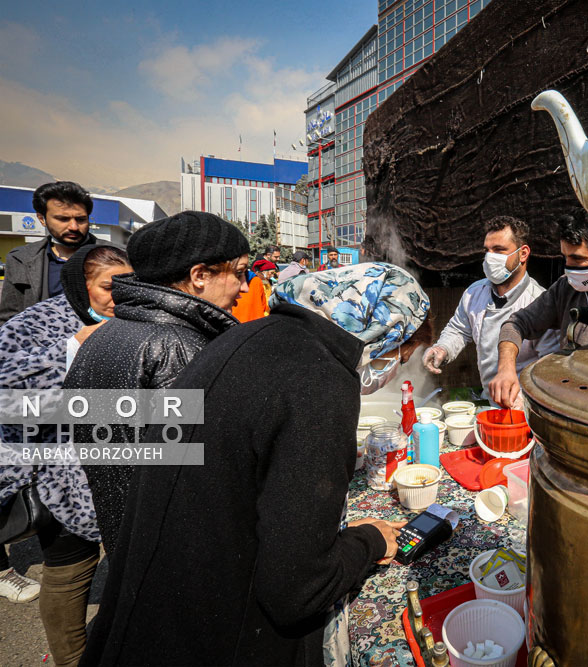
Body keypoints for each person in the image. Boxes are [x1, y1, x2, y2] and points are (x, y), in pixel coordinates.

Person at [80, 263, 430, 666]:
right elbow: (299, 589)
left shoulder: (250, 335)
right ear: (385, 332)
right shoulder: (320, 378)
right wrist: (369, 541)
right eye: (402, 356)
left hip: (146, 609)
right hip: (214, 636)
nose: (394, 372)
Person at [63, 211, 249, 557]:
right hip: (178, 550)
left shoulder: (108, 333)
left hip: (129, 536)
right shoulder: (179, 346)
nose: (246, 286)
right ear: (200, 275)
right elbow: (204, 474)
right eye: (239, 273)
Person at [0, 245, 131, 664]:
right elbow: (7, 397)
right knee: (71, 566)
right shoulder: (36, 323)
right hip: (59, 474)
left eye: (129, 286)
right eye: (109, 287)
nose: (119, 297)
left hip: (125, 465)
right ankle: (72, 659)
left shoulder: (132, 321)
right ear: (81, 286)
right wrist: (73, 348)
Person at [489, 212, 588, 407]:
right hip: (565, 404)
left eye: (577, 259)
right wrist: (506, 369)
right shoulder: (565, 288)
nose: (568, 267)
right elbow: (517, 323)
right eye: (565, 257)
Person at [421, 216, 559, 396]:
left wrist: (525, 400)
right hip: (489, 398)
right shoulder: (475, 293)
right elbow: (459, 329)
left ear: (523, 253)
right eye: (488, 250)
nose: (490, 257)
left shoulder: (540, 303)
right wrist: (442, 348)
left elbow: (549, 366)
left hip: (524, 405)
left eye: (499, 250)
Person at [0, 182, 108, 325]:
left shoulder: (117, 256)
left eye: (81, 219)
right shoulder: (20, 260)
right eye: (63, 219)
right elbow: (8, 318)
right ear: (41, 219)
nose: (73, 227)